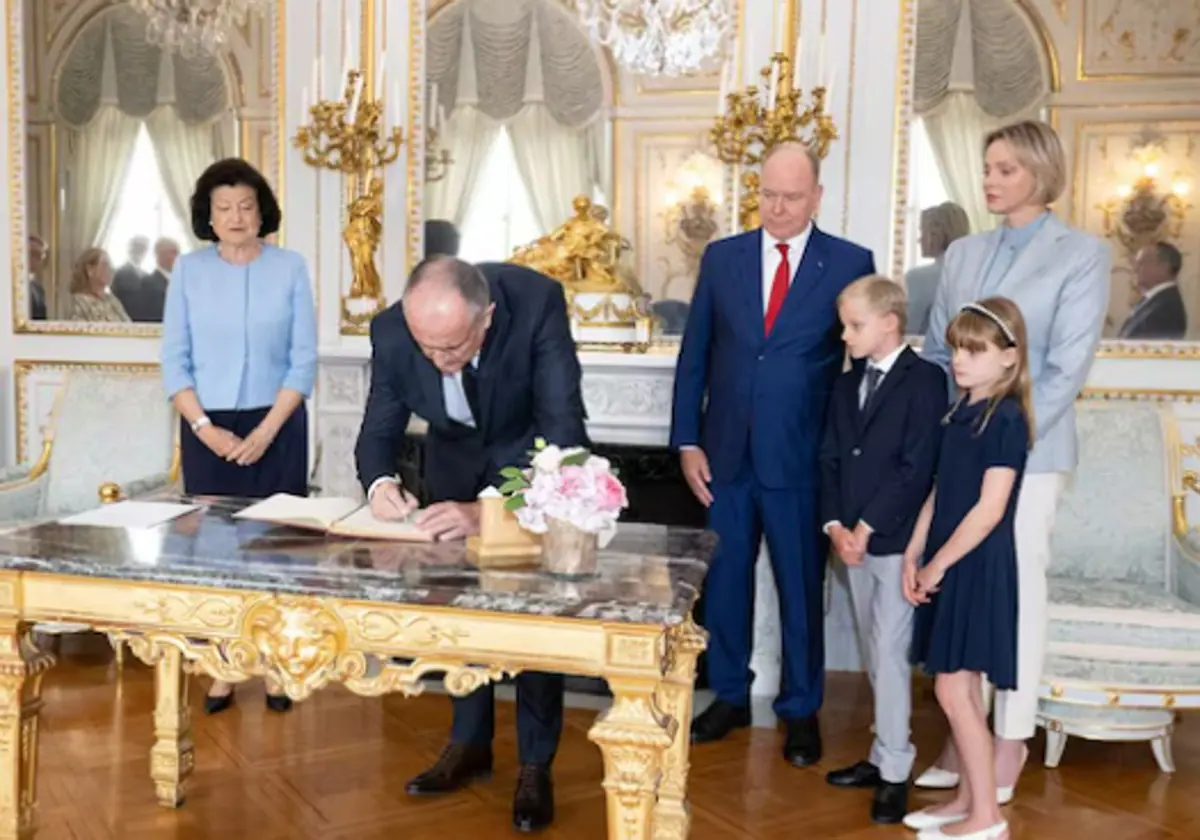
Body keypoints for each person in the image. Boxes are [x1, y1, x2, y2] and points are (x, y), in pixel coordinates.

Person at [354, 256, 586, 833]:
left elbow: (563, 435)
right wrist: (381, 485)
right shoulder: (391, 329)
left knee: (532, 617)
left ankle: (536, 763)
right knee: (456, 611)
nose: (440, 362)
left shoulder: (536, 304)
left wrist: (489, 512)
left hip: (525, 465)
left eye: (453, 347)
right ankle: (468, 744)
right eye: (427, 347)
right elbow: (378, 428)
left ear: (487, 316)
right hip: (452, 463)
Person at [919, 120, 1111, 801]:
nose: (991, 180)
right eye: (987, 166)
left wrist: (1003, 435)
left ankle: (1012, 738)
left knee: (1014, 594)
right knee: (962, 591)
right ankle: (963, 729)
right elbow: (944, 354)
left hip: (1030, 450)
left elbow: (1066, 366)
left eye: (1006, 169)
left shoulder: (1082, 254)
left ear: (1040, 171)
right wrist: (949, 437)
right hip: (963, 451)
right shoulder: (965, 252)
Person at [670, 140, 876, 765]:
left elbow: (860, 369)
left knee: (800, 587)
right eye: (767, 195)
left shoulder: (849, 261)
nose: (778, 208)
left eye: (791, 197)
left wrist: (850, 458)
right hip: (725, 456)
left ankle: (801, 708)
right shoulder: (723, 257)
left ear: (817, 197)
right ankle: (730, 694)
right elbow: (696, 354)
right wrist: (687, 440)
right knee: (726, 581)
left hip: (802, 458)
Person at [160, 158, 317, 715]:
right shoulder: (188, 271)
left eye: (246, 206)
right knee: (215, 552)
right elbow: (173, 363)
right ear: (208, 214)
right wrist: (204, 429)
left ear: (262, 211)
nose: (235, 217)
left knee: (278, 553)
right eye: (223, 207)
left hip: (278, 422)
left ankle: (276, 666)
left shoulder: (291, 267)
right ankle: (223, 666)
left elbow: (303, 363)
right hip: (207, 427)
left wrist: (267, 431)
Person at [818, 275, 947, 824]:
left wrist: (867, 528)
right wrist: (834, 527)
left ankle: (896, 769)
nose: (845, 336)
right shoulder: (847, 384)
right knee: (875, 653)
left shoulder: (927, 382)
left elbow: (916, 467)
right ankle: (881, 753)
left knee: (890, 657)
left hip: (892, 541)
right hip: (850, 541)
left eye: (854, 325)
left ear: (889, 322)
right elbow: (829, 458)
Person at [903, 297, 1032, 840]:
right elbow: (939, 492)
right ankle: (967, 798)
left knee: (956, 692)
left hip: (975, 565)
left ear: (1009, 357)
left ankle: (988, 817)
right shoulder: (961, 411)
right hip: (948, 558)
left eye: (975, 351)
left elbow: (988, 510)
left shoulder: (1005, 418)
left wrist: (938, 566)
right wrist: (914, 553)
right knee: (958, 690)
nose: (960, 360)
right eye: (957, 348)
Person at [905, 202, 970, 336]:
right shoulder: (978, 272)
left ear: (935, 235)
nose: (919, 239)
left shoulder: (919, 278)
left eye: (922, 232)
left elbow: (909, 329)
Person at [1119, 241, 1186, 340]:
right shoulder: (1155, 301)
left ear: (1164, 267)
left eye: (1142, 263)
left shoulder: (1166, 308)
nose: (1135, 269)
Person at [68, 247, 131, 322]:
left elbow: (129, 326)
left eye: (111, 265)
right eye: (105, 265)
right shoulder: (77, 302)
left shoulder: (113, 300)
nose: (111, 269)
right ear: (90, 270)